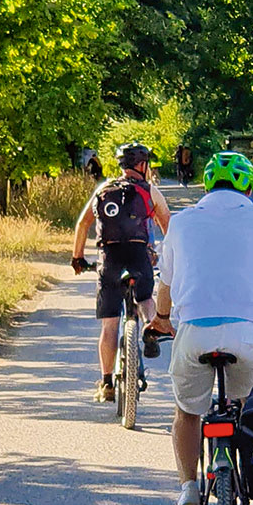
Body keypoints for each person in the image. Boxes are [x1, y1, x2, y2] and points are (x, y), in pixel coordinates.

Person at [145, 151, 253, 505]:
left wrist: (162, 319)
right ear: (248, 185)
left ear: (209, 185)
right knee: (246, 409)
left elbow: (165, 283)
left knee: (188, 413)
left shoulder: (181, 222)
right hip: (246, 334)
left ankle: (188, 492)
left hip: (194, 331)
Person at [72, 142, 171, 402]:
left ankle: (106, 384)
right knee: (146, 298)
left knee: (109, 326)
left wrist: (78, 257)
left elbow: (83, 224)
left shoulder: (104, 189)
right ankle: (152, 327)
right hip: (139, 256)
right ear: (142, 165)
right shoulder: (150, 191)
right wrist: (167, 255)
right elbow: (168, 227)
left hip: (110, 258)